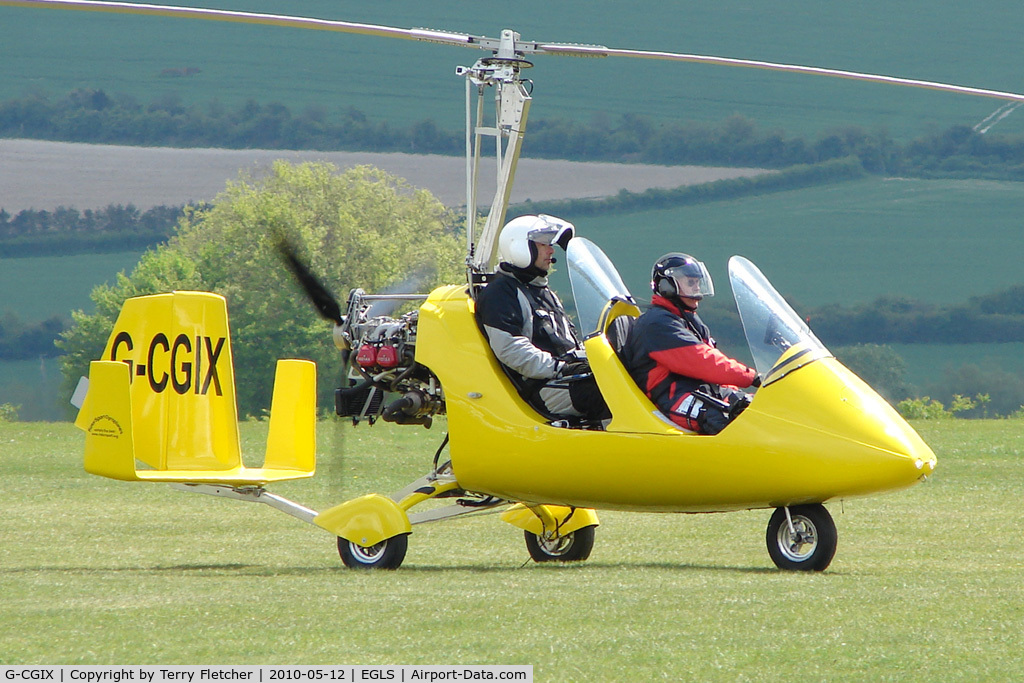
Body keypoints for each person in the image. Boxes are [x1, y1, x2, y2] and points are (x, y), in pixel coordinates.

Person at [474, 214, 610, 422]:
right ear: (520, 247)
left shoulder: (542, 290)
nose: (551, 250)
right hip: (544, 386)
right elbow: (510, 349)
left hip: (566, 377)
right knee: (610, 394)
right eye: (544, 244)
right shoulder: (501, 293)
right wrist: (559, 367)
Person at [622, 252, 759, 434]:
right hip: (673, 397)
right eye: (690, 283)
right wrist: (753, 377)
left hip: (699, 390)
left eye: (697, 283)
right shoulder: (657, 324)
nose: (697, 290)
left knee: (759, 408)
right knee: (722, 420)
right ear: (666, 285)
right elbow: (703, 361)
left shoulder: (685, 318)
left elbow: (713, 367)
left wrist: (740, 392)